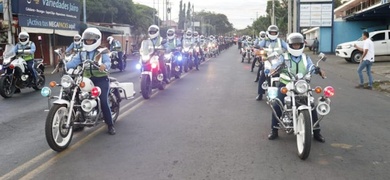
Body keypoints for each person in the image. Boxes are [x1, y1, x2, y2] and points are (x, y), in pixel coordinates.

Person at [267, 32, 325, 143]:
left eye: (298, 45)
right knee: (277, 104)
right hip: (286, 83)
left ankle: (317, 132)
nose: (296, 46)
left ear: (302, 45)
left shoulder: (305, 57)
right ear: (290, 45)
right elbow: (275, 65)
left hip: (302, 85)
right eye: (294, 45)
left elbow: (311, 66)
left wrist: (318, 70)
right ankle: (274, 130)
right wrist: (272, 69)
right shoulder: (284, 57)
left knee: (311, 105)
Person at [65, 27, 116, 135]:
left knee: (103, 101)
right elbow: (74, 62)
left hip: (101, 79)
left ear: (96, 40)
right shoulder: (81, 52)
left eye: (91, 40)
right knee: (75, 95)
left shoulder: (102, 51)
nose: (88, 41)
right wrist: (65, 65)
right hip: (86, 79)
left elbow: (108, 62)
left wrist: (104, 66)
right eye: (87, 40)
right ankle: (78, 120)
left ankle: (110, 124)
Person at [255, 25, 288, 101]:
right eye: (271, 33)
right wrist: (257, 48)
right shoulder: (265, 40)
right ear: (268, 33)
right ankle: (260, 94)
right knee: (262, 76)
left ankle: (285, 93)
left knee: (286, 76)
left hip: (279, 61)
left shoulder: (280, 41)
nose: (273, 34)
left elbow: (287, 47)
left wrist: (289, 50)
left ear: (277, 33)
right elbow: (259, 46)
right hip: (268, 61)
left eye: (274, 33)